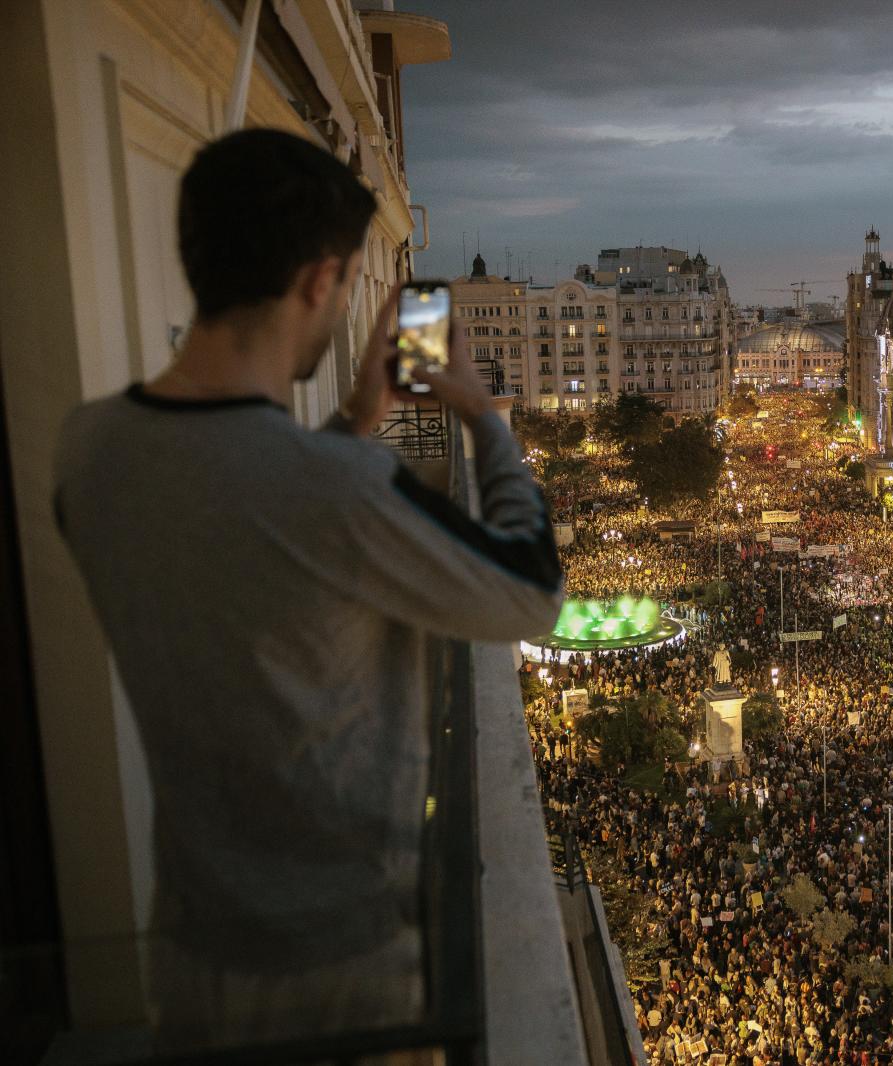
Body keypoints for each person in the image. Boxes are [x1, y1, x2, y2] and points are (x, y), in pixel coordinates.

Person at [52, 128, 564, 1053]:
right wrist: (484, 416)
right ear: (321, 281)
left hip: (190, 943)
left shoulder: (87, 451)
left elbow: (243, 517)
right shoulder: (333, 492)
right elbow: (527, 593)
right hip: (346, 970)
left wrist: (359, 420)